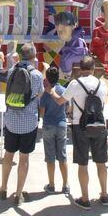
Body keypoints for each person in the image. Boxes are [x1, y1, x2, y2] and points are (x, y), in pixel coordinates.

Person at [46, 55, 108, 210]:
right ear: (94, 69)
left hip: (80, 126)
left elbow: (61, 101)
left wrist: (51, 92)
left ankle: (85, 198)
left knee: (83, 163)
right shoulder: (103, 84)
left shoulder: (75, 83)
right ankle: (104, 194)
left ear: (80, 70)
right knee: (101, 162)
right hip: (100, 126)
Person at [0, 42, 43, 205]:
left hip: (11, 121)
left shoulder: (11, 71)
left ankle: (3, 188)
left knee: (8, 155)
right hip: (29, 122)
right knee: (24, 158)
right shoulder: (37, 75)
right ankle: (18, 194)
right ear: (34, 56)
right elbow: (39, 94)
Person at [39, 66, 69, 195]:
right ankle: (65, 184)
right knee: (62, 156)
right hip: (61, 124)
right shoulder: (63, 90)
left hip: (48, 125)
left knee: (50, 157)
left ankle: (51, 185)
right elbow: (68, 108)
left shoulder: (45, 94)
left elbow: (41, 113)